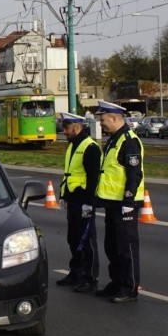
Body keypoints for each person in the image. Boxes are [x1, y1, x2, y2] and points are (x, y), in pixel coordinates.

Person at [94, 100, 144, 303]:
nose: (101, 123)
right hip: (112, 203)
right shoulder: (114, 139)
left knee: (126, 247)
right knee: (112, 246)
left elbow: (134, 174)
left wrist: (128, 201)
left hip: (125, 204)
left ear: (114, 118)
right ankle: (116, 283)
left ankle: (129, 287)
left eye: (103, 119)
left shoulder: (129, 141)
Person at [57, 112, 102, 293]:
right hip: (73, 199)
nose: (64, 131)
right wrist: (63, 195)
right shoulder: (72, 145)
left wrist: (89, 203)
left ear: (77, 126)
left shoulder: (90, 147)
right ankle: (76, 272)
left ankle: (90, 277)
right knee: (73, 238)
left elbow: (93, 178)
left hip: (84, 201)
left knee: (87, 241)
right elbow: (70, 173)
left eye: (67, 128)